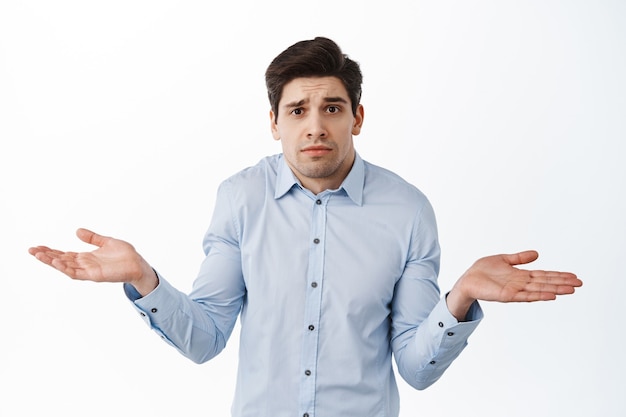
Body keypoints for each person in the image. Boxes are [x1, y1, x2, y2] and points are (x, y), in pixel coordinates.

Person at [29, 37, 582, 417]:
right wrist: (145, 279)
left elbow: (417, 368)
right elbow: (205, 340)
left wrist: (458, 297)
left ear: (357, 117)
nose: (315, 126)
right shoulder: (240, 198)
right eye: (297, 111)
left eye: (332, 108)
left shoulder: (408, 210)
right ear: (274, 122)